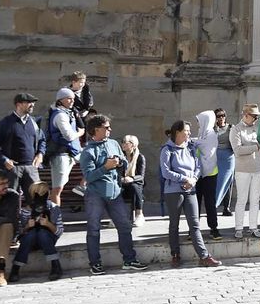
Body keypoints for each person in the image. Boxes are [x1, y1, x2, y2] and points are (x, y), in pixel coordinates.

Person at [83, 114, 155, 273]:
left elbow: (123, 160)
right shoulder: (88, 151)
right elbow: (88, 176)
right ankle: (95, 263)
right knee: (93, 229)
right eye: (106, 127)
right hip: (95, 195)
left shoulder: (114, 143)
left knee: (124, 226)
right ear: (96, 130)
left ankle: (129, 259)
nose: (110, 129)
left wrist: (119, 161)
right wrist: (106, 167)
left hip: (114, 192)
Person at [159, 119, 218, 268]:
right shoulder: (167, 150)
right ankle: (175, 254)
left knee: (195, 225)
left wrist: (193, 179)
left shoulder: (191, 148)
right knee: (174, 224)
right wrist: (185, 178)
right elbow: (166, 172)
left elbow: (198, 166)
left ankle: (204, 256)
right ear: (178, 132)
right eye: (186, 130)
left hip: (190, 190)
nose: (189, 133)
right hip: (173, 192)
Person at [0, 92, 45, 196]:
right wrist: (4, 160)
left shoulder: (34, 122)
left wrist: (40, 154)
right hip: (12, 169)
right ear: (18, 104)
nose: (32, 105)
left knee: (36, 199)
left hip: (31, 168)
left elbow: (42, 141)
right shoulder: (6, 123)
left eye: (33, 102)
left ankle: (29, 212)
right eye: (28, 102)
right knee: (10, 200)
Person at [10, 181, 63, 282]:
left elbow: (59, 232)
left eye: (44, 192)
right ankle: (15, 268)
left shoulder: (54, 208)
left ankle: (55, 265)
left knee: (42, 233)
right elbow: (18, 233)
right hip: (30, 241)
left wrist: (48, 224)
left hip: (47, 239)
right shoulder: (26, 210)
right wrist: (27, 227)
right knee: (32, 234)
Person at [229, 105, 260, 238]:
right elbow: (237, 150)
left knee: (255, 199)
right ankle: (239, 228)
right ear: (246, 115)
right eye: (254, 116)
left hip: (258, 167)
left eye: (257, 116)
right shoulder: (235, 129)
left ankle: (254, 227)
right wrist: (256, 147)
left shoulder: (257, 128)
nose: (256, 119)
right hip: (243, 169)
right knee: (242, 199)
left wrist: (253, 147)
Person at [45, 87, 82, 207]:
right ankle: (56, 219)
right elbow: (69, 136)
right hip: (61, 155)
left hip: (72, 153)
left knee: (93, 160)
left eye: (73, 99)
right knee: (57, 190)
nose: (72, 101)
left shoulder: (68, 113)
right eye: (69, 99)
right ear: (61, 100)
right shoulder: (60, 115)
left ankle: (82, 186)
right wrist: (80, 133)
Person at [192, 110, 224, 239]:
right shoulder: (202, 133)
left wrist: (191, 141)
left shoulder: (211, 134)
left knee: (209, 202)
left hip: (210, 173)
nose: (198, 124)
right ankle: (194, 229)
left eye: (200, 121)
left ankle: (214, 228)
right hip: (199, 172)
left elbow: (203, 146)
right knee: (196, 202)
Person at [212, 108, 235, 218]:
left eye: (222, 115)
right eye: (218, 116)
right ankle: (214, 205)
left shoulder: (230, 128)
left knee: (227, 181)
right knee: (215, 182)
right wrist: (215, 128)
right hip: (215, 157)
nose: (221, 118)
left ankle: (226, 207)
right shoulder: (212, 129)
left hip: (228, 156)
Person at [119, 134, 146, 224]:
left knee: (135, 186)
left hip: (135, 184)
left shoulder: (140, 157)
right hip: (123, 184)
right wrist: (122, 178)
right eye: (122, 142)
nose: (123, 144)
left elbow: (141, 176)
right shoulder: (120, 157)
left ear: (133, 145)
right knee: (115, 188)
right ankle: (116, 216)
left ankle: (139, 214)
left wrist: (131, 178)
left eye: (125, 142)